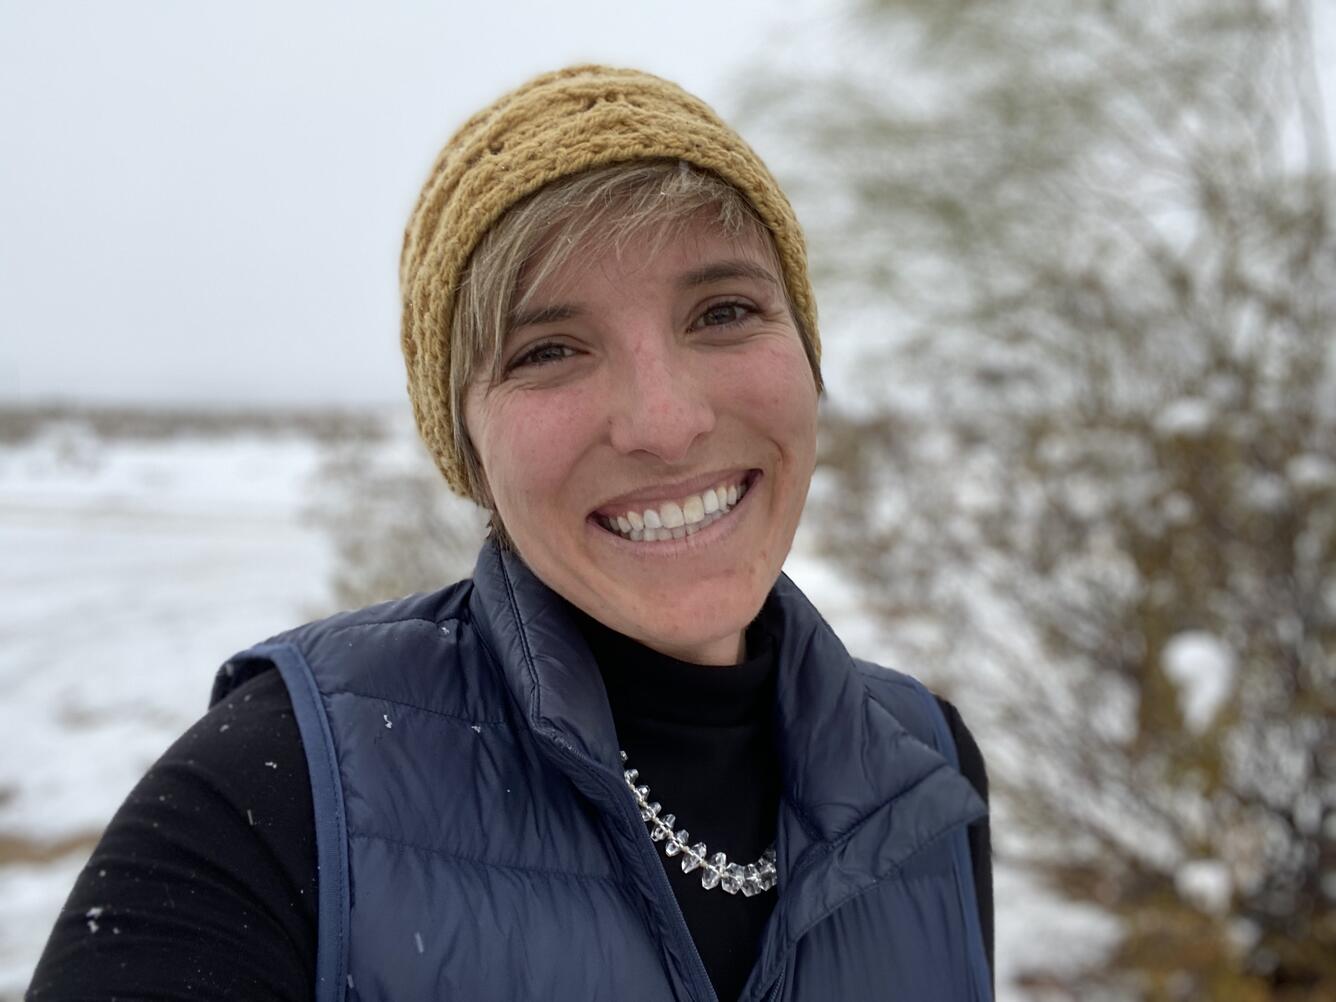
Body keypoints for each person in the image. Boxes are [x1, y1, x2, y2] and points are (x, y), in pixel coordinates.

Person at [28, 65, 993, 1002]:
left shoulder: (926, 773)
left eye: (724, 312)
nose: (665, 423)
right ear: (471, 453)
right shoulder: (272, 797)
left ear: (809, 359)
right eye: (549, 350)